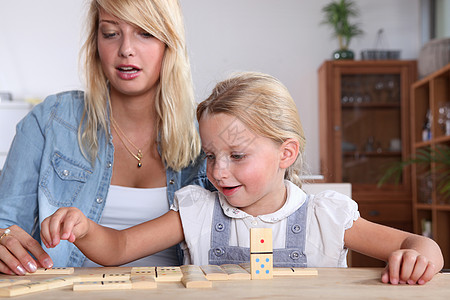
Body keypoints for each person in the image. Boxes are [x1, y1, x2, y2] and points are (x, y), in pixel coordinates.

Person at [41, 72, 444, 285]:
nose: (217, 171)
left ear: (286, 153)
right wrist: (85, 228)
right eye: (211, 155)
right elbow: (119, 246)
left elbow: (420, 244)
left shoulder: (326, 216)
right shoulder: (196, 210)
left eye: (237, 156)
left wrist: (418, 258)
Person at [0, 0, 213, 275]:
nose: (126, 49)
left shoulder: (206, 133)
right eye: (111, 33)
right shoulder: (50, 121)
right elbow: (5, 221)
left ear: (169, 41)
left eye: (145, 33)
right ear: (96, 42)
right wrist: (4, 239)